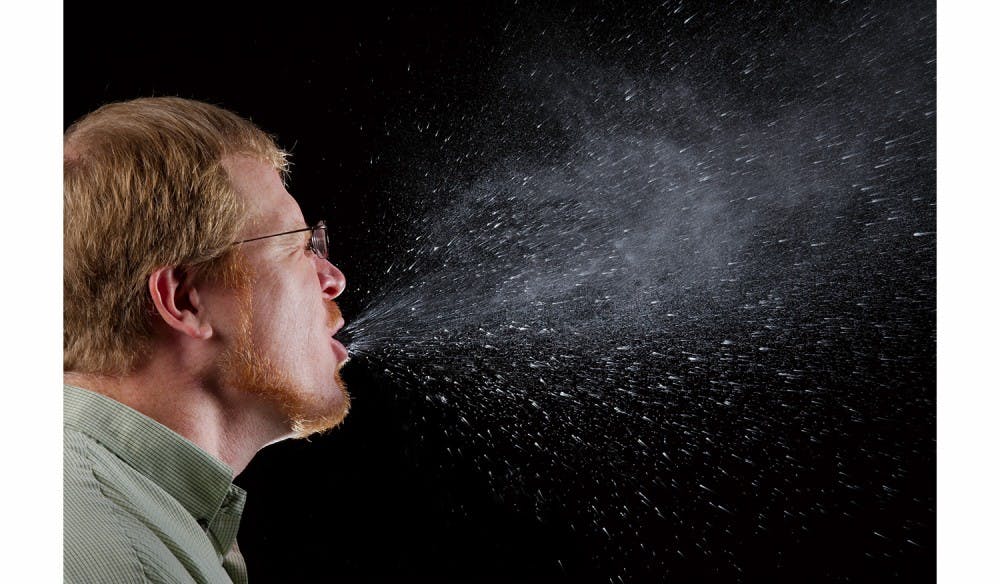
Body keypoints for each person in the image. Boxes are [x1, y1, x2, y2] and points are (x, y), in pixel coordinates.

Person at [63, 97, 350, 583]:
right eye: (297, 246)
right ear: (185, 299)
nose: (333, 279)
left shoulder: (126, 511)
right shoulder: (127, 562)